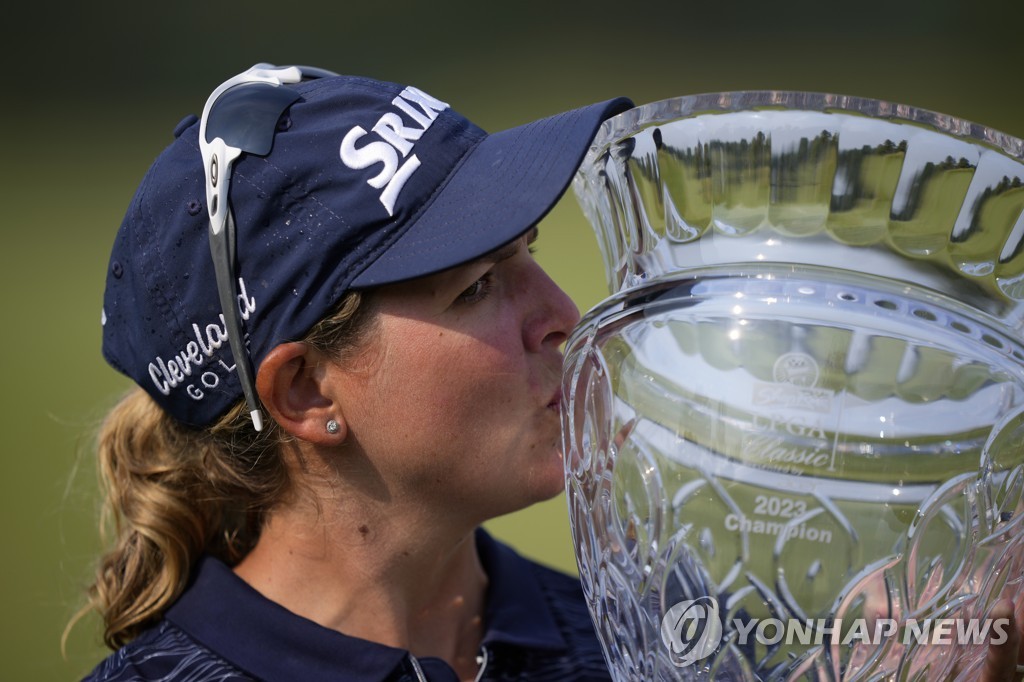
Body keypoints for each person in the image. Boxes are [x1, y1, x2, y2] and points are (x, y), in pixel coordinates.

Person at [76, 63, 1024, 682]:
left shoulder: (650, 638)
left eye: (528, 253)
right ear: (307, 393)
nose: (563, 318)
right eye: (479, 287)